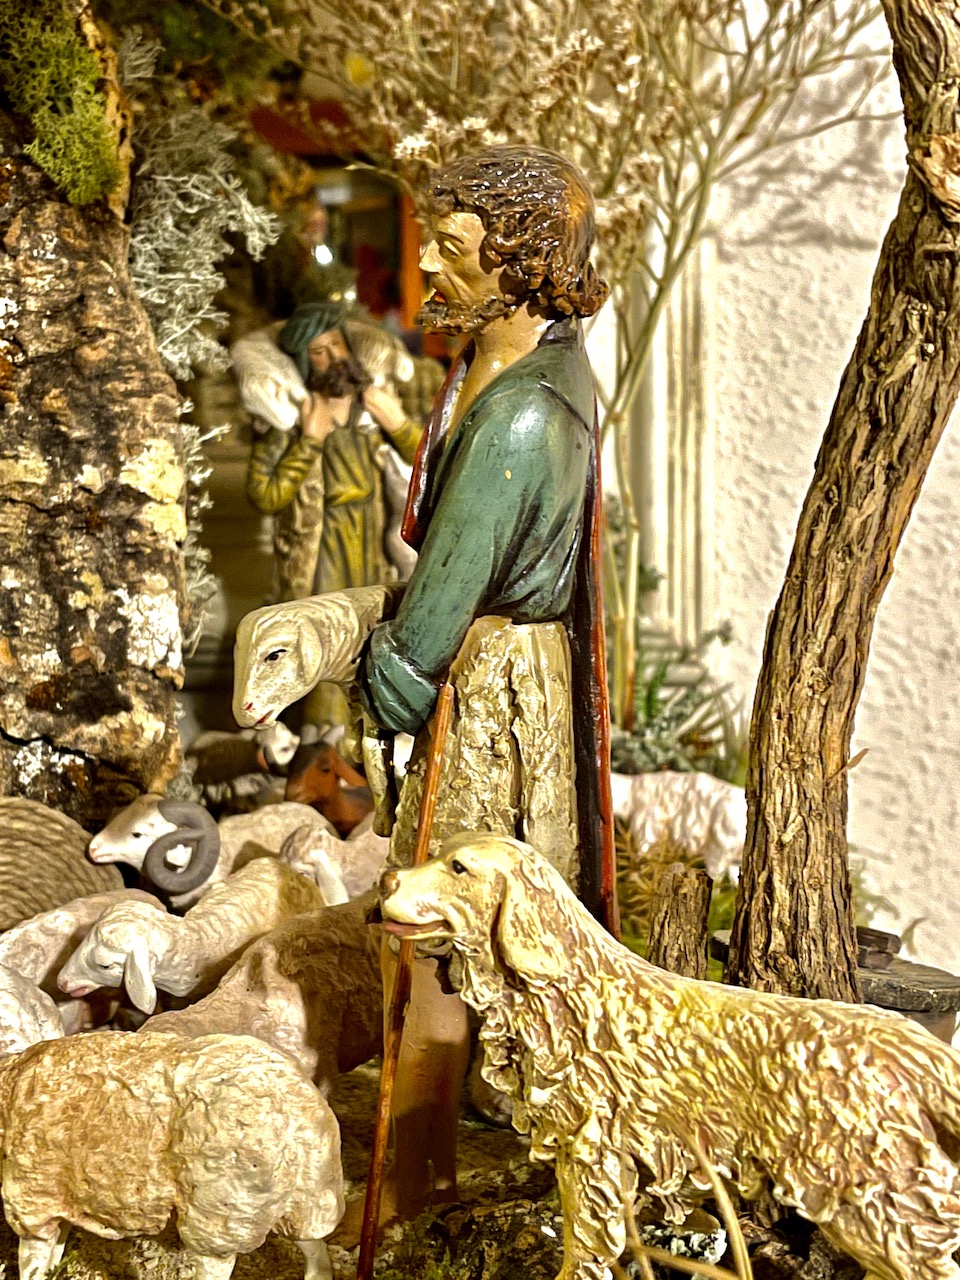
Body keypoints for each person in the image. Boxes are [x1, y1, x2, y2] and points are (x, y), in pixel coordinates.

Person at [355, 145, 617, 1230]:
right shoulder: (506, 371)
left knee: (442, 923)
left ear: (520, 263)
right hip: (507, 669)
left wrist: (385, 680)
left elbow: (432, 619)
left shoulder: (520, 413)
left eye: (454, 247)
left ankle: (420, 1176)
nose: (428, 264)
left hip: (490, 688)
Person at [241, 303, 424, 726]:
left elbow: (429, 464)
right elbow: (265, 495)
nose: (335, 357)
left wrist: (399, 425)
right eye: (320, 352)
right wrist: (309, 441)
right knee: (322, 641)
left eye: (338, 344)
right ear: (305, 363)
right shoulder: (289, 422)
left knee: (371, 639)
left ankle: (371, 730)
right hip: (320, 552)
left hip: (372, 544)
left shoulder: (373, 412)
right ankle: (322, 739)